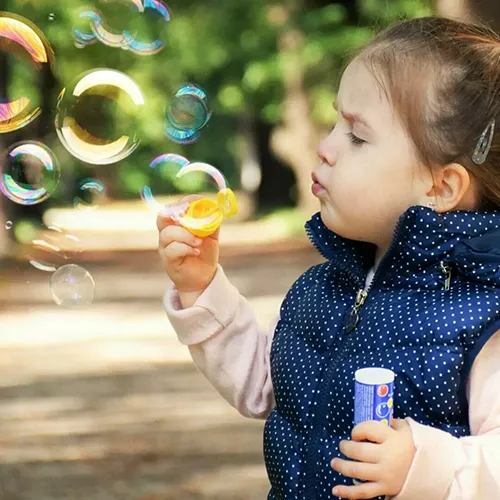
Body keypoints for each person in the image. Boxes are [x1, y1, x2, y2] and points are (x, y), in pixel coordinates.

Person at [157, 16, 500, 500]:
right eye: (335, 122)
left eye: (357, 137)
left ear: (441, 187)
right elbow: (264, 383)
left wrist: (425, 466)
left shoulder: (481, 315)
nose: (325, 147)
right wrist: (201, 286)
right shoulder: (326, 287)